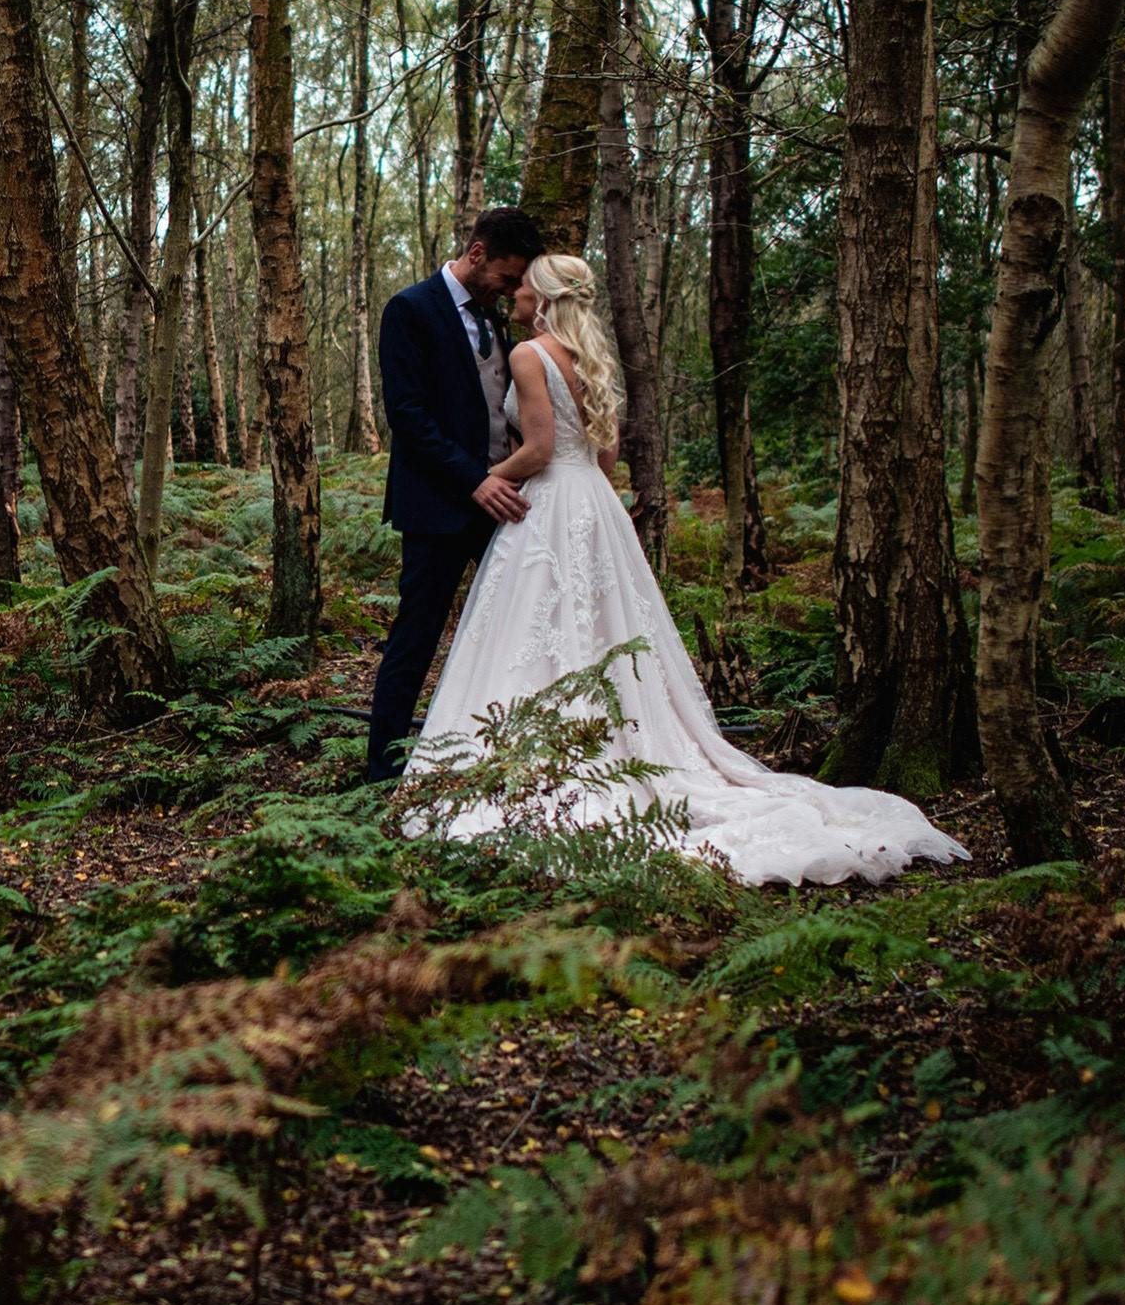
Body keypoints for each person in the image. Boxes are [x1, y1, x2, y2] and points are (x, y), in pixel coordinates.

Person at [407, 253, 969, 886]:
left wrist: (481, 481)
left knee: (538, 629)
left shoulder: (529, 355)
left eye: (523, 289)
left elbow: (537, 450)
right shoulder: (593, 359)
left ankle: (551, 750)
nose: (513, 297)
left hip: (548, 504)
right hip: (594, 500)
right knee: (606, 631)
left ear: (542, 297)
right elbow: (608, 454)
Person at [365, 205, 543, 784]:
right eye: (507, 277)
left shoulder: (496, 320)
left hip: (500, 503)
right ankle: (381, 772)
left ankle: (506, 758)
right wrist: (475, 479)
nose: (512, 290)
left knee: (517, 627)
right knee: (416, 635)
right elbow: (409, 418)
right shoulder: (410, 309)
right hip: (439, 506)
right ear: (476, 254)